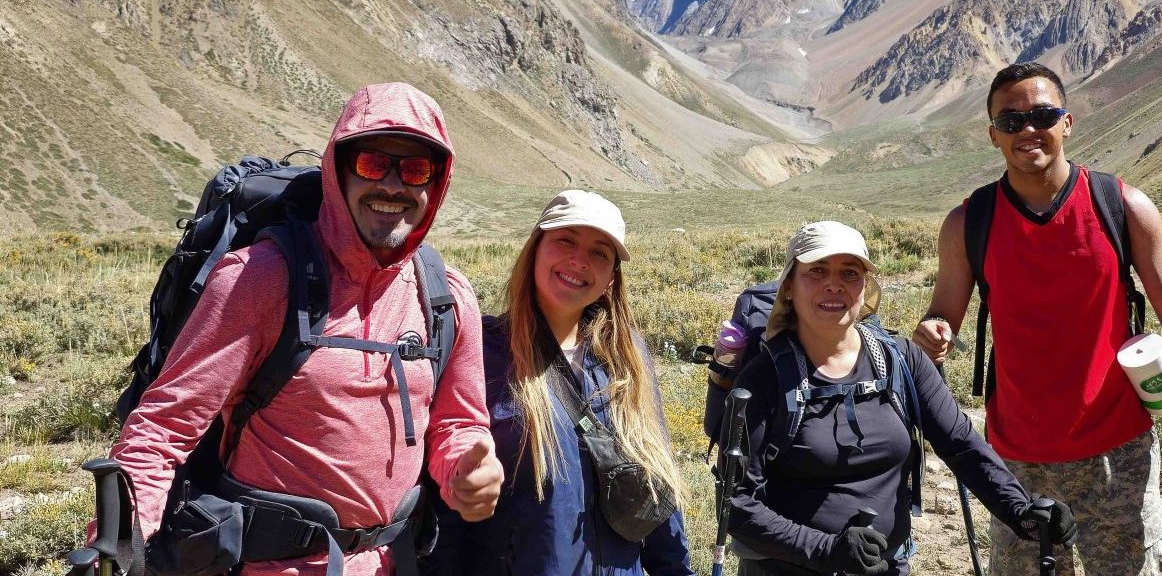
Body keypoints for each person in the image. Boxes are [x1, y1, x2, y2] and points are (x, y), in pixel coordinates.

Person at [109, 82, 504, 575]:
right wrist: (119, 552)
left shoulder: (445, 295)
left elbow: (458, 424)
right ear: (338, 169)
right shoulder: (259, 277)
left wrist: (467, 467)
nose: (393, 185)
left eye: (416, 169)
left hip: (392, 563)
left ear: (436, 183)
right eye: (372, 164)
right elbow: (160, 432)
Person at [913, 62, 1162, 576]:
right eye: (1010, 122)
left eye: (1042, 115)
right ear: (993, 136)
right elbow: (944, 316)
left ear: (1067, 122)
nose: (1027, 130)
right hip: (1015, 460)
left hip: (1117, 451)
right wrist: (933, 334)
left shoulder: (1122, 206)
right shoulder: (970, 222)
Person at [727, 220, 1076, 576]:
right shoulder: (765, 378)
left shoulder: (900, 360)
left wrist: (1021, 511)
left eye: (850, 273)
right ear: (789, 287)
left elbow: (962, 445)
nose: (834, 284)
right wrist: (826, 549)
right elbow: (736, 505)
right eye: (816, 271)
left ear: (865, 287)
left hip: (888, 566)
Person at [426, 190, 693, 576]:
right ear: (535, 249)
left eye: (600, 252)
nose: (580, 260)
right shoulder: (483, 351)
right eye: (565, 240)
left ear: (611, 277)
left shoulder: (627, 356)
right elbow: (445, 512)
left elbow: (656, 483)